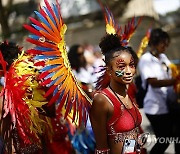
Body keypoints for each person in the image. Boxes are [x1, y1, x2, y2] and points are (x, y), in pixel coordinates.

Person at [90, 34, 142, 154]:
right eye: (121, 67)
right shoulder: (102, 101)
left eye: (132, 65)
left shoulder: (126, 94)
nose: (128, 71)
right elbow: (101, 149)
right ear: (109, 70)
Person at [138, 28, 178, 154]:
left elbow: (171, 72)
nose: (165, 47)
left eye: (167, 44)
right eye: (163, 44)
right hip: (156, 107)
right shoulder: (146, 60)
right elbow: (153, 82)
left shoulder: (163, 57)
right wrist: (174, 81)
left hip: (168, 104)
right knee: (165, 139)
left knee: (176, 135)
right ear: (154, 43)